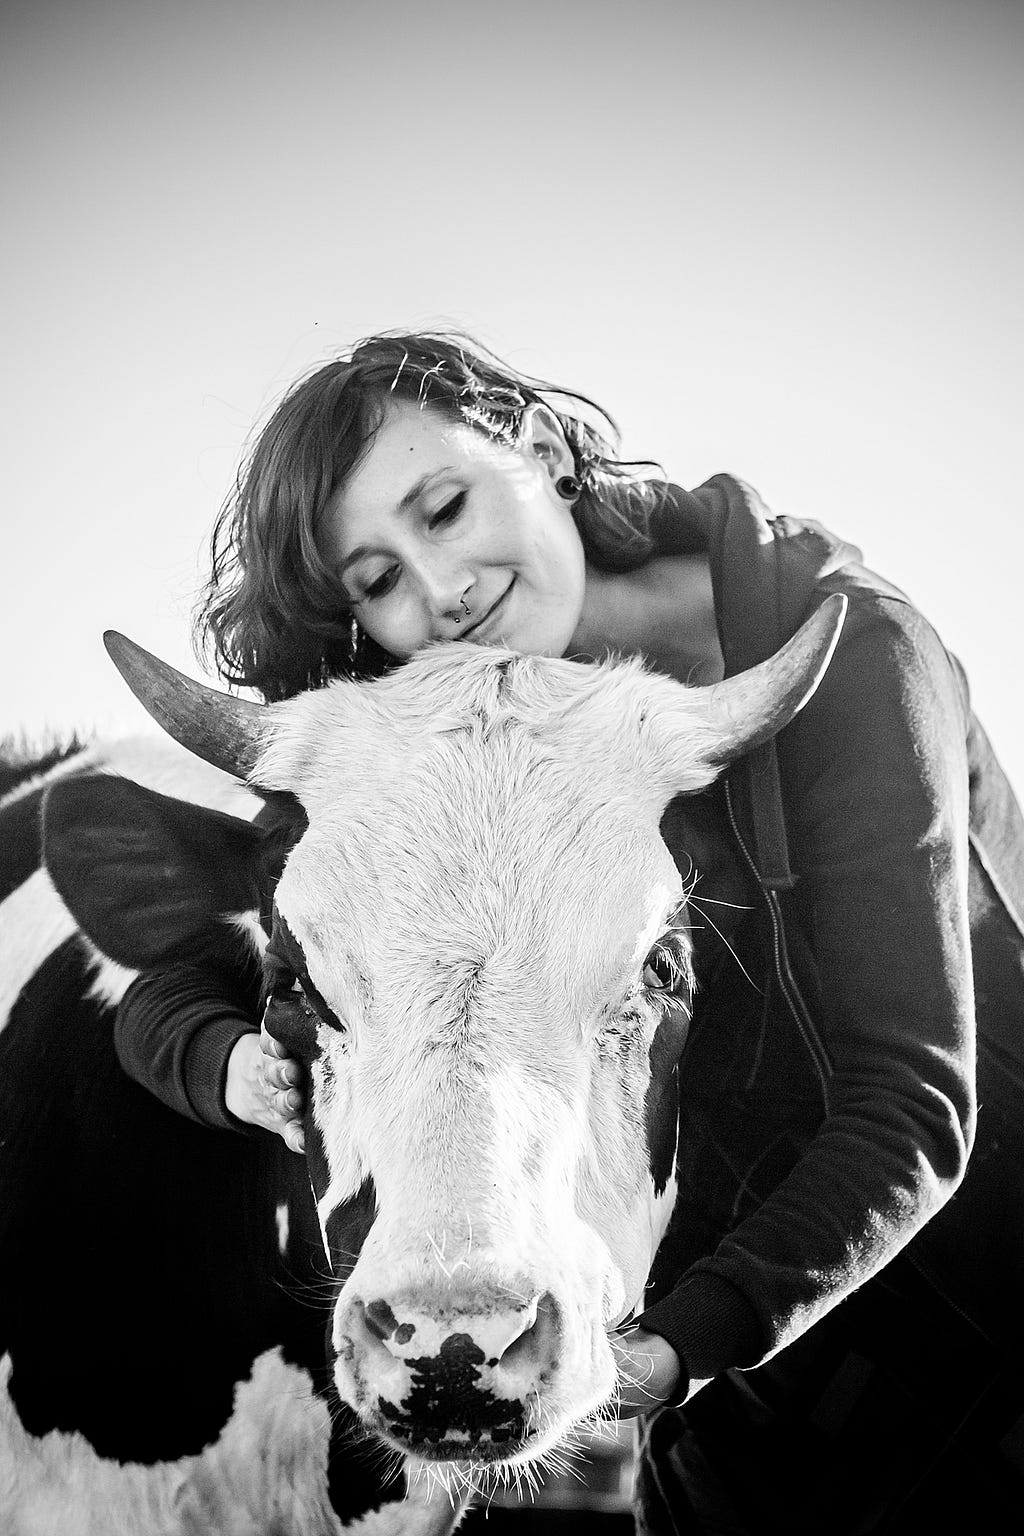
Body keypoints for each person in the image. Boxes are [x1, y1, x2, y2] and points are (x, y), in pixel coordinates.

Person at [114, 332, 1024, 1531]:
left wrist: (673, 1351)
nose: (438, 590)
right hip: (724, 1378)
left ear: (540, 449)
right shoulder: (464, 747)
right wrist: (230, 1063)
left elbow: (910, 1097)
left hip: (969, 1312)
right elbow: (191, 980)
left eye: (443, 508)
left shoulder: (851, 656)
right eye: (375, 580)